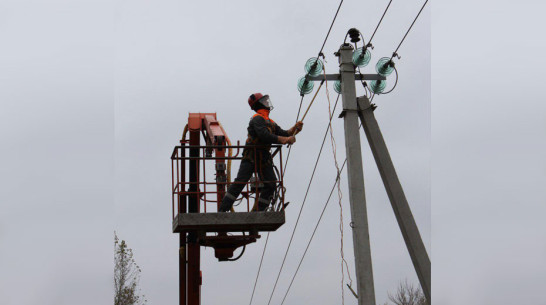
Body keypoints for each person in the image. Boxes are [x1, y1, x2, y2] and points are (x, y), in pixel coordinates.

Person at [219, 93, 303, 212]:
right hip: (251, 155)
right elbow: (264, 135)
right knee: (240, 183)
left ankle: (259, 211)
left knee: (271, 184)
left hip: (263, 157)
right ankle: (222, 210)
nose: (267, 103)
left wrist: (295, 129)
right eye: (264, 101)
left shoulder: (270, 121)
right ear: (259, 104)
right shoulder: (257, 118)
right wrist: (284, 140)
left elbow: (284, 133)